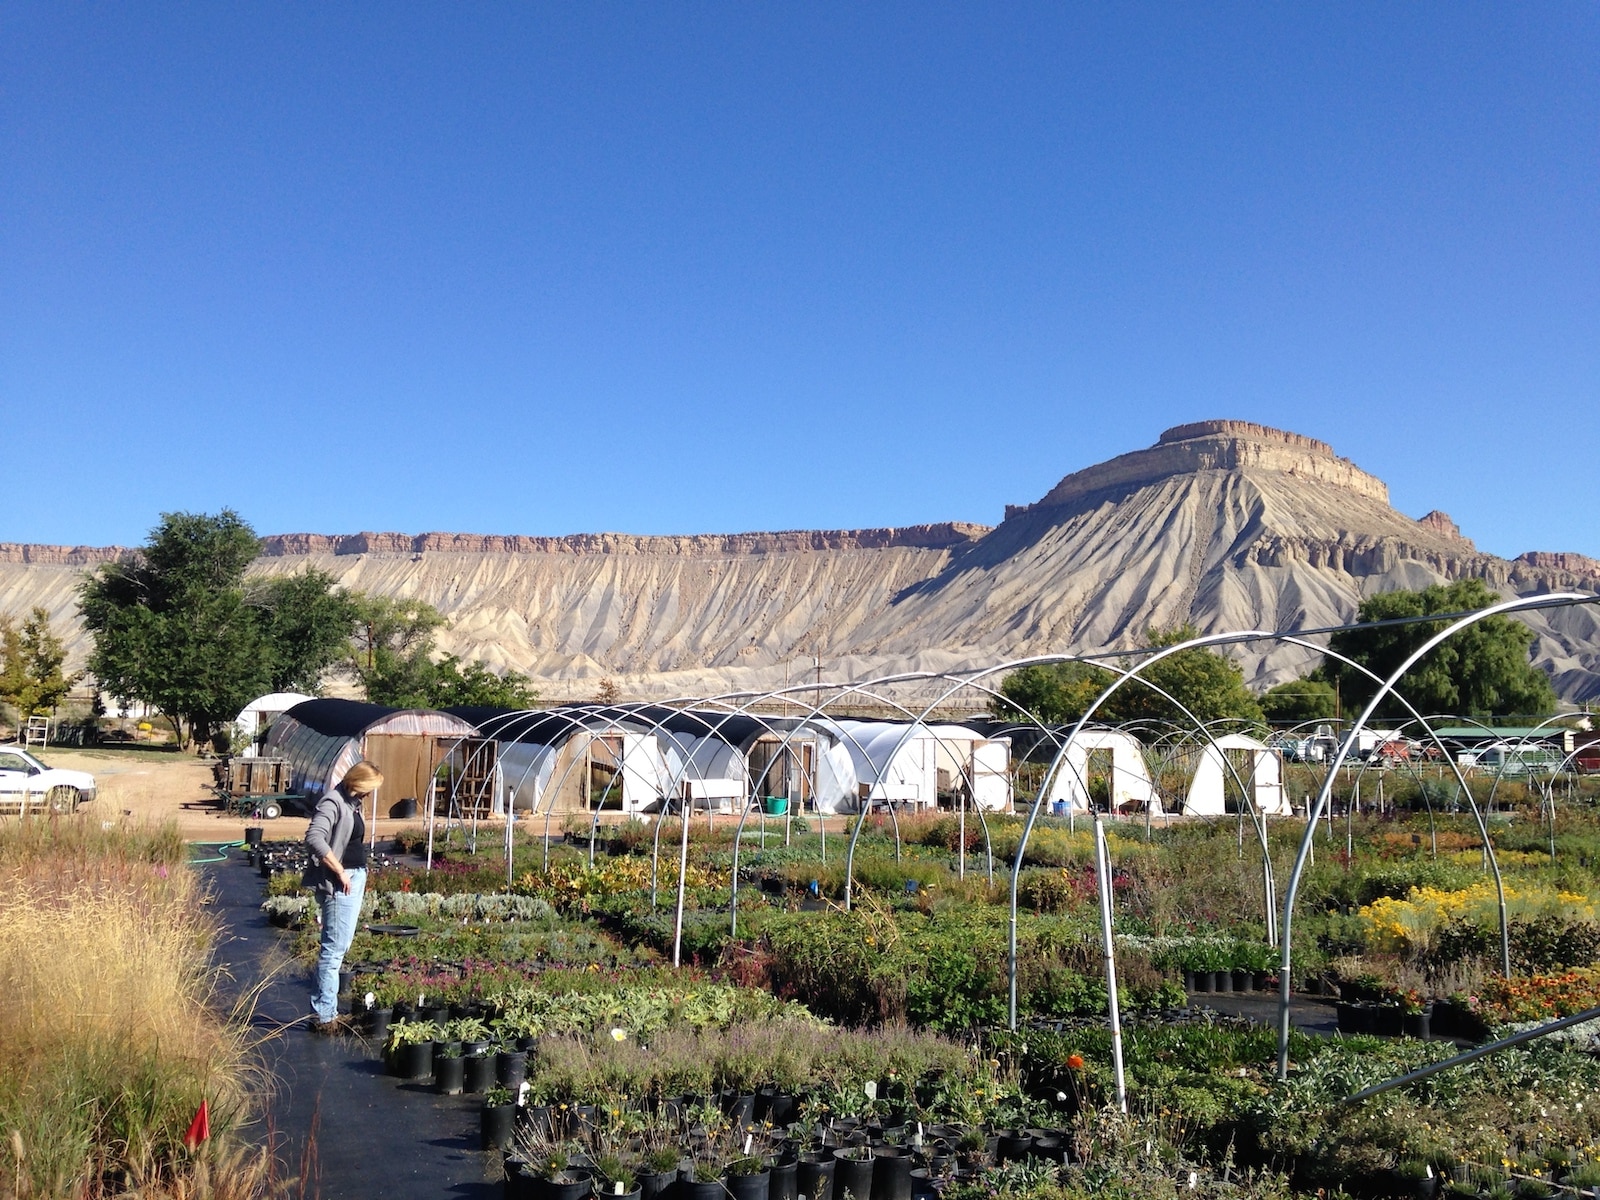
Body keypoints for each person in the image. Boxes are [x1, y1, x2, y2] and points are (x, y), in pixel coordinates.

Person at [303, 760, 383, 1030]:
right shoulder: (333, 802)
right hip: (340, 882)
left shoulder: (351, 802)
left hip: (353, 878)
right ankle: (325, 1017)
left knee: (340, 946)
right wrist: (340, 871)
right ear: (357, 782)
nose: (369, 794)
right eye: (368, 788)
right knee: (333, 950)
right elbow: (314, 837)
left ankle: (328, 1010)